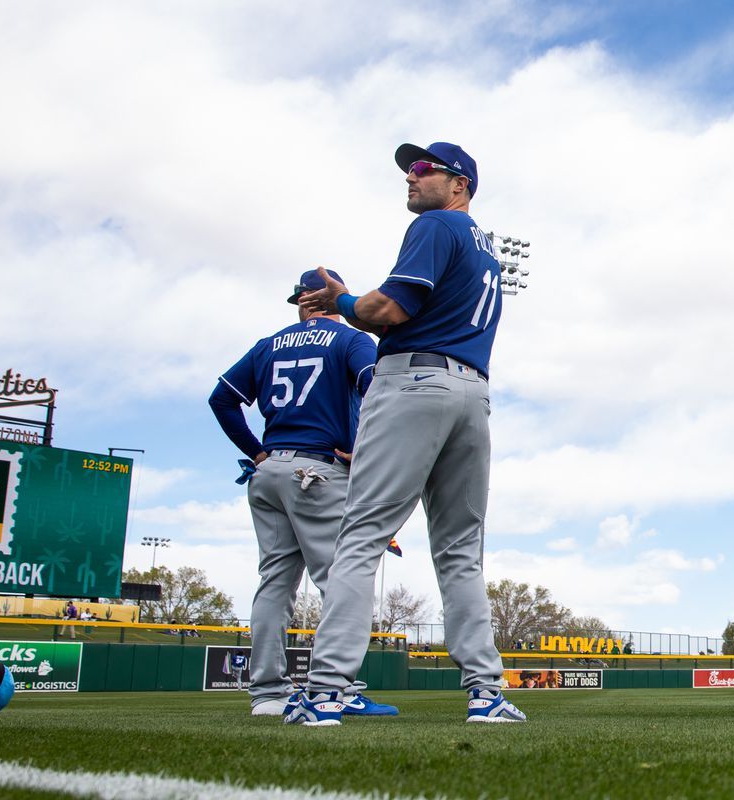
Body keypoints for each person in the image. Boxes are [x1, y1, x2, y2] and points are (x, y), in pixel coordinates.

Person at [292, 140, 525, 726]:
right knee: (461, 553)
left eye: (425, 169)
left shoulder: (438, 227)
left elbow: (384, 311)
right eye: (409, 170)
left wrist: (339, 299)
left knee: (361, 534)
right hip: (474, 395)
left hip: (415, 383)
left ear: (460, 185)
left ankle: (325, 691)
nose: (412, 178)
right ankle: (486, 694)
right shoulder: (489, 254)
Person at [209, 268, 396, 719]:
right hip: (318, 470)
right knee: (340, 579)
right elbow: (379, 389)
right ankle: (334, 688)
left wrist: (256, 453)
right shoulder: (353, 342)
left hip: (269, 470)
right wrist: (364, 448)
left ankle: (268, 695)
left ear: (299, 300)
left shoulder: (268, 344)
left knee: (274, 583)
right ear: (334, 297)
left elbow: (221, 399)